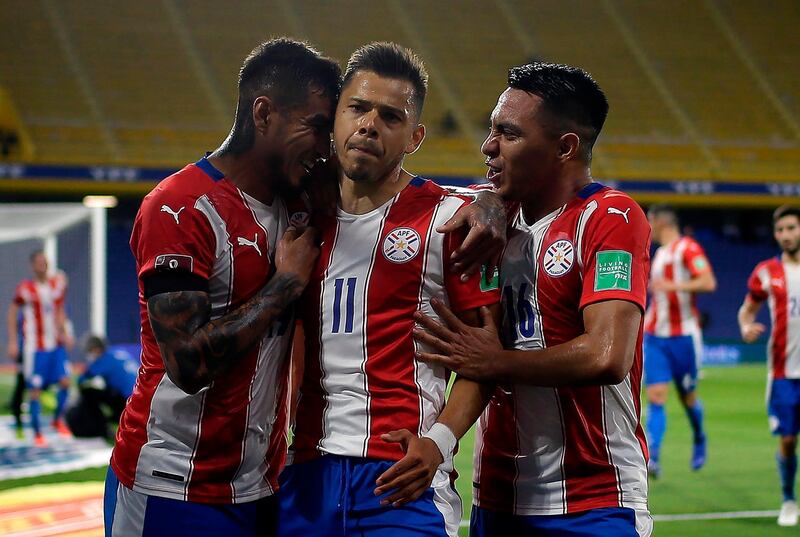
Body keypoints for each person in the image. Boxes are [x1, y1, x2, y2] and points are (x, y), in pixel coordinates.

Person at [104, 38, 340, 537]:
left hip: (262, 485)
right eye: (316, 126)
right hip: (173, 486)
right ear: (263, 113)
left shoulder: (300, 207)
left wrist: (487, 202)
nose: (325, 146)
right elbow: (188, 363)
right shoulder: (179, 207)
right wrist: (285, 284)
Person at [412, 62, 653, 536]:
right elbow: (431, 196)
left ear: (564, 147)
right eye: (492, 130)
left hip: (593, 497)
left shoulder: (610, 217)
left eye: (509, 133)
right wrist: (485, 200)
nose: (489, 146)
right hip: (498, 495)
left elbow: (607, 355)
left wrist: (494, 362)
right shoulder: (492, 219)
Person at [277, 43, 501, 537]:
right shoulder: (296, 216)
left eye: (390, 116)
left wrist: (439, 442)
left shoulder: (449, 221)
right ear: (335, 116)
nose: (369, 125)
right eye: (357, 108)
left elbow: (486, 358)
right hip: (306, 472)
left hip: (400, 477)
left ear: (415, 136)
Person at [643, 204, 716, 478]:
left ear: (661, 221)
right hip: (655, 337)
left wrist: (672, 287)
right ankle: (654, 457)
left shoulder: (688, 248)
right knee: (656, 396)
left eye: (650, 220)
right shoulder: (660, 254)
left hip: (683, 337)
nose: (648, 227)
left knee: (688, 398)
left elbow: (708, 281)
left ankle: (699, 437)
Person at [738, 205, 800, 526]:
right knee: (788, 440)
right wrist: (746, 326)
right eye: (780, 230)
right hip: (784, 373)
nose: (786, 235)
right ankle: (788, 499)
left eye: (791, 228)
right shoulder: (767, 271)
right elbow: (747, 310)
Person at [6, 250, 73, 447]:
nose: (42, 265)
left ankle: (56, 420)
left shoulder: (56, 284)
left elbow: (59, 311)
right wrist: (12, 341)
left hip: (56, 345)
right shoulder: (25, 289)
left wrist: (65, 332)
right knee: (34, 390)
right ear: (32, 266)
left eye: (45, 262)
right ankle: (36, 433)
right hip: (35, 348)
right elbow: (12, 314)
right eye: (38, 262)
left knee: (65, 382)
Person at [66, 335, 138, 438]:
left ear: (96, 349)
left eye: (90, 351)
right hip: (140, 397)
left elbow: (83, 378)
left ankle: (102, 429)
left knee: (88, 392)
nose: (89, 354)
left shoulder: (104, 360)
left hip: (128, 402)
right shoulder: (120, 353)